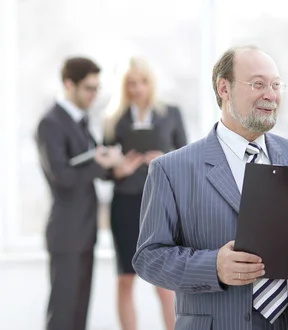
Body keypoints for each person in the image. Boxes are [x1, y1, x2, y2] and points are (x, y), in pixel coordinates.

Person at [131, 45, 288, 330]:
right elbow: (148, 258)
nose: (270, 95)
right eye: (258, 84)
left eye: (276, 85)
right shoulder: (172, 169)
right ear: (224, 88)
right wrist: (213, 266)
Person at [35, 57, 123, 330]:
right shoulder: (50, 123)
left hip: (85, 231)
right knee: (63, 314)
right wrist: (100, 164)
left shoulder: (82, 121)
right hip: (66, 232)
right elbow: (63, 178)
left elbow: (92, 166)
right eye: (88, 88)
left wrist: (116, 166)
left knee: (79, 314)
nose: (94, 95)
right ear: (68, 84)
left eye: (97, 88)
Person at [103, 56, 187, 330]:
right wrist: (118, 169)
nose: (137, 88)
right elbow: (106, 164)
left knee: (164, 281)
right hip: (125, 202)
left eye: (142, 82)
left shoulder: (171, 113)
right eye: (131, 83)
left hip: (160, 202)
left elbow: (187, 159)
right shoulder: (113, 119)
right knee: (125, 277)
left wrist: (164, 159)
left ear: (151, 83)